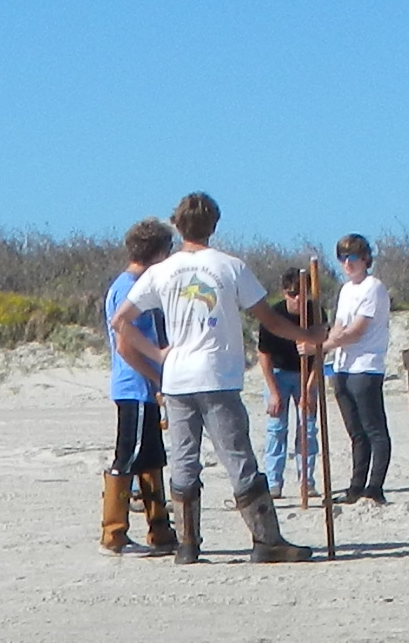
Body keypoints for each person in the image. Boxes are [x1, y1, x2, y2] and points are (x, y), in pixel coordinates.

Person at [113, 192, 308, 564]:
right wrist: (309, 335)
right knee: (238, 458)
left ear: (178, 225)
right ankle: (266, 540)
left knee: (185, 460)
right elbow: (268, 319)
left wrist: (157, 355)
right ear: (214, 225)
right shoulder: (230, 266)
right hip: (216, 375)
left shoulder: (161, 271)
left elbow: (119, 320)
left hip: (177, 379)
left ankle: (188, 544)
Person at [97, 218, 177, 556]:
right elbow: (125, 345)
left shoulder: (141, 287)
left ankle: (160, 530)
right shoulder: (128, 288)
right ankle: (112, 532)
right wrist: (157, 376)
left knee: (152, 458)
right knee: (127, 457)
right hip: (135, 387)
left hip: (145, 387)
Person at [315, 234, 394, 504]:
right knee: (356, 433)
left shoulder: (374, 287)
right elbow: (338, 327)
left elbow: (356, 331)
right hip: (342, 367)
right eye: (342, 257)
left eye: (352, 257)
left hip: (366, 367)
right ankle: (356, 485)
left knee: (375, 430)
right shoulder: (346, 290)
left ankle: (375, 487)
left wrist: (323, 346)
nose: (347, 263)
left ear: (365, 259)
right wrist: (329, 342)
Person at [254, 264, 317, 494]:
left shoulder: (316, 313)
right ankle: (274, 482)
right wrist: (273, 392)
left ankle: (306, 481)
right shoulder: (273, 316)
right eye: (293, 294)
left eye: (303, 293)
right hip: (278, 374)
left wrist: (310, 388)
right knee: (276, 428)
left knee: (307, 428)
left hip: (306, 374)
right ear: (284, 293)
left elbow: (321, 353)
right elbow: (264, 355)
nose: (298, 299)